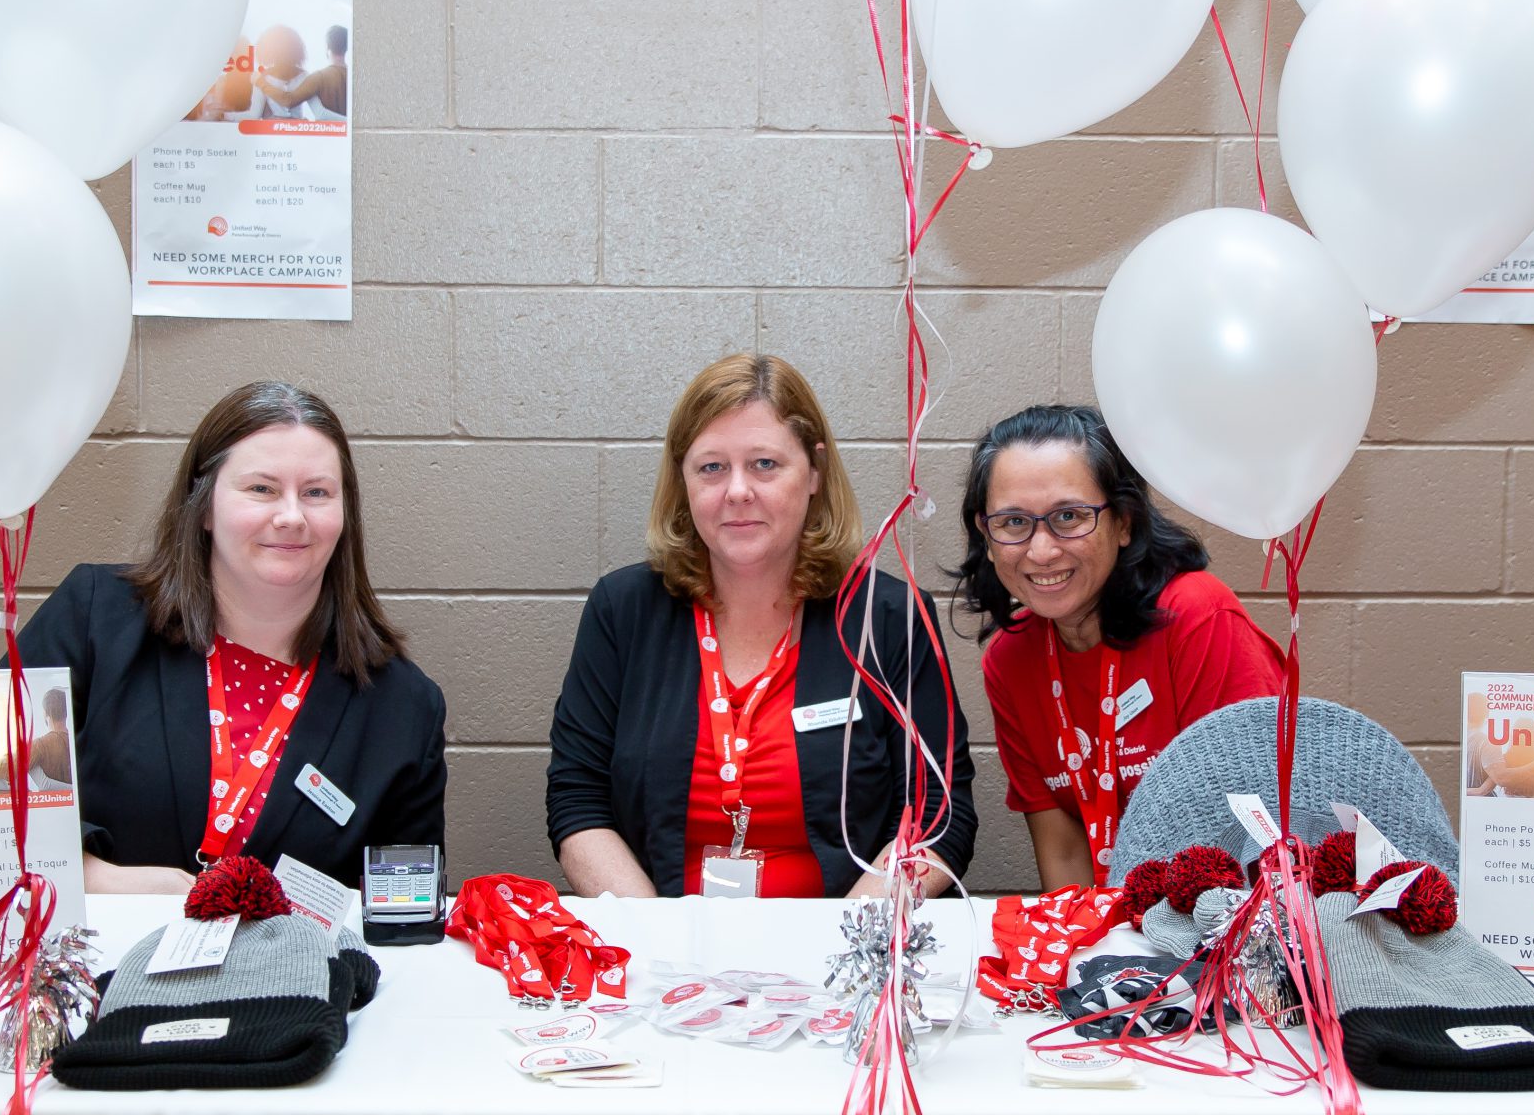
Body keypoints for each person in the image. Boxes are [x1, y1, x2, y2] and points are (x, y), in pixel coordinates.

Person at [547, 353, 975, 898]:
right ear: (683, 480)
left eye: (765, 464)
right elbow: (578, 799)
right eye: (711, 467)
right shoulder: (623, 610)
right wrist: (656, 934)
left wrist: (845, 937)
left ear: (814, 471)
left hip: (843, 933)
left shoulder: (886, 616)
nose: (737, 491)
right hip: (663, 938)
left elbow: (938, 814)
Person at [13, 381, 447, 894]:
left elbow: (405, 908)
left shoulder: (404, 707)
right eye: (261, 489)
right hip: (94, 943)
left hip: (292, 952)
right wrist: (95, 878)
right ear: (202, 507)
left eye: (317, 493)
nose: (291, 516)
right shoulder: (94, 618)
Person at [954, 405, 1285, 891]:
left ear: (1125, 522)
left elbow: (1249, 829)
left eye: (1069, 517)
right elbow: (1064, 855)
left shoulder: (1197, 616)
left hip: (1231, 913)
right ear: (986, 535)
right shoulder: (1010, 658)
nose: (1041, 551)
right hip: (1118, 922)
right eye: (1013, 522)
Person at [257, 24, 347, 121]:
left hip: (295, 129)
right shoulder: (263, 77)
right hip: (283, 129)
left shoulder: (306, 76)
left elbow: (319, 112)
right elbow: (320, 113)